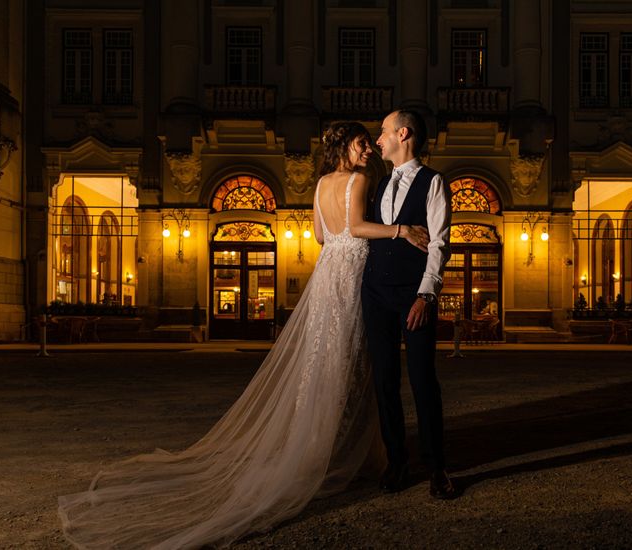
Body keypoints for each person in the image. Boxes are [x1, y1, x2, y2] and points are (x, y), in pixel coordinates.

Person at [57, 121, 429, 549]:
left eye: (369, 143)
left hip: (327, 277)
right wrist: (401, 230)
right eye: (362, 143)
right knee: (352, 364)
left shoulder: (322, 182)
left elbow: (322, 235)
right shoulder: (361, 179)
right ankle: (353, 455)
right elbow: (358, 228)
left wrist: (345, 245)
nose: (368, 150)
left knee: (323, 362)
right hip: (350, 279)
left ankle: (322, 449)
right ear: (346, 147)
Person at [362, 110, 456, 499]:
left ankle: (437, 466)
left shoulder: (433, 182)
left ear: (403, 134)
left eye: (383, 132)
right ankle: (396, 461)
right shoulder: (380, 184)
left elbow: (439, 242)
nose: (378, 139)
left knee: (422, 379)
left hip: (412, 293)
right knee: (384, 379)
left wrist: (425, 294)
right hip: (375, 293)